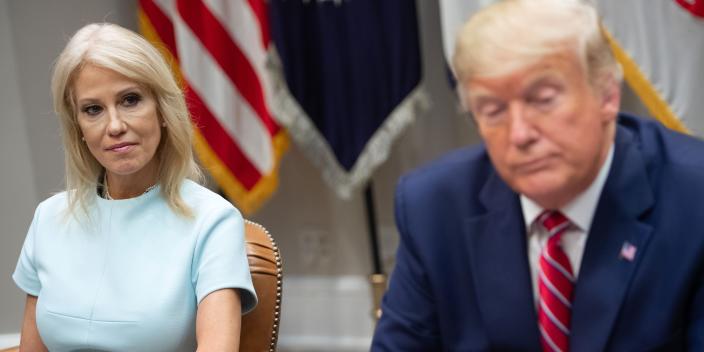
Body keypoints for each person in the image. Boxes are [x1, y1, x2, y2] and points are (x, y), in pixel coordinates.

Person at [371, 0, 704, 350]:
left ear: (607, 95)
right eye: (493, 110)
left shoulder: (694, 198)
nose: (519, 134)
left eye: (543, 100)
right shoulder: (434, 206)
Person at [12, 23, 256, 351]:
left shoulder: (213, 221)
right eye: (93, 109)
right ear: (78, 126)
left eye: (130, 100)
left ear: (162, 110)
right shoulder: (48, 218)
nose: (115, 126)